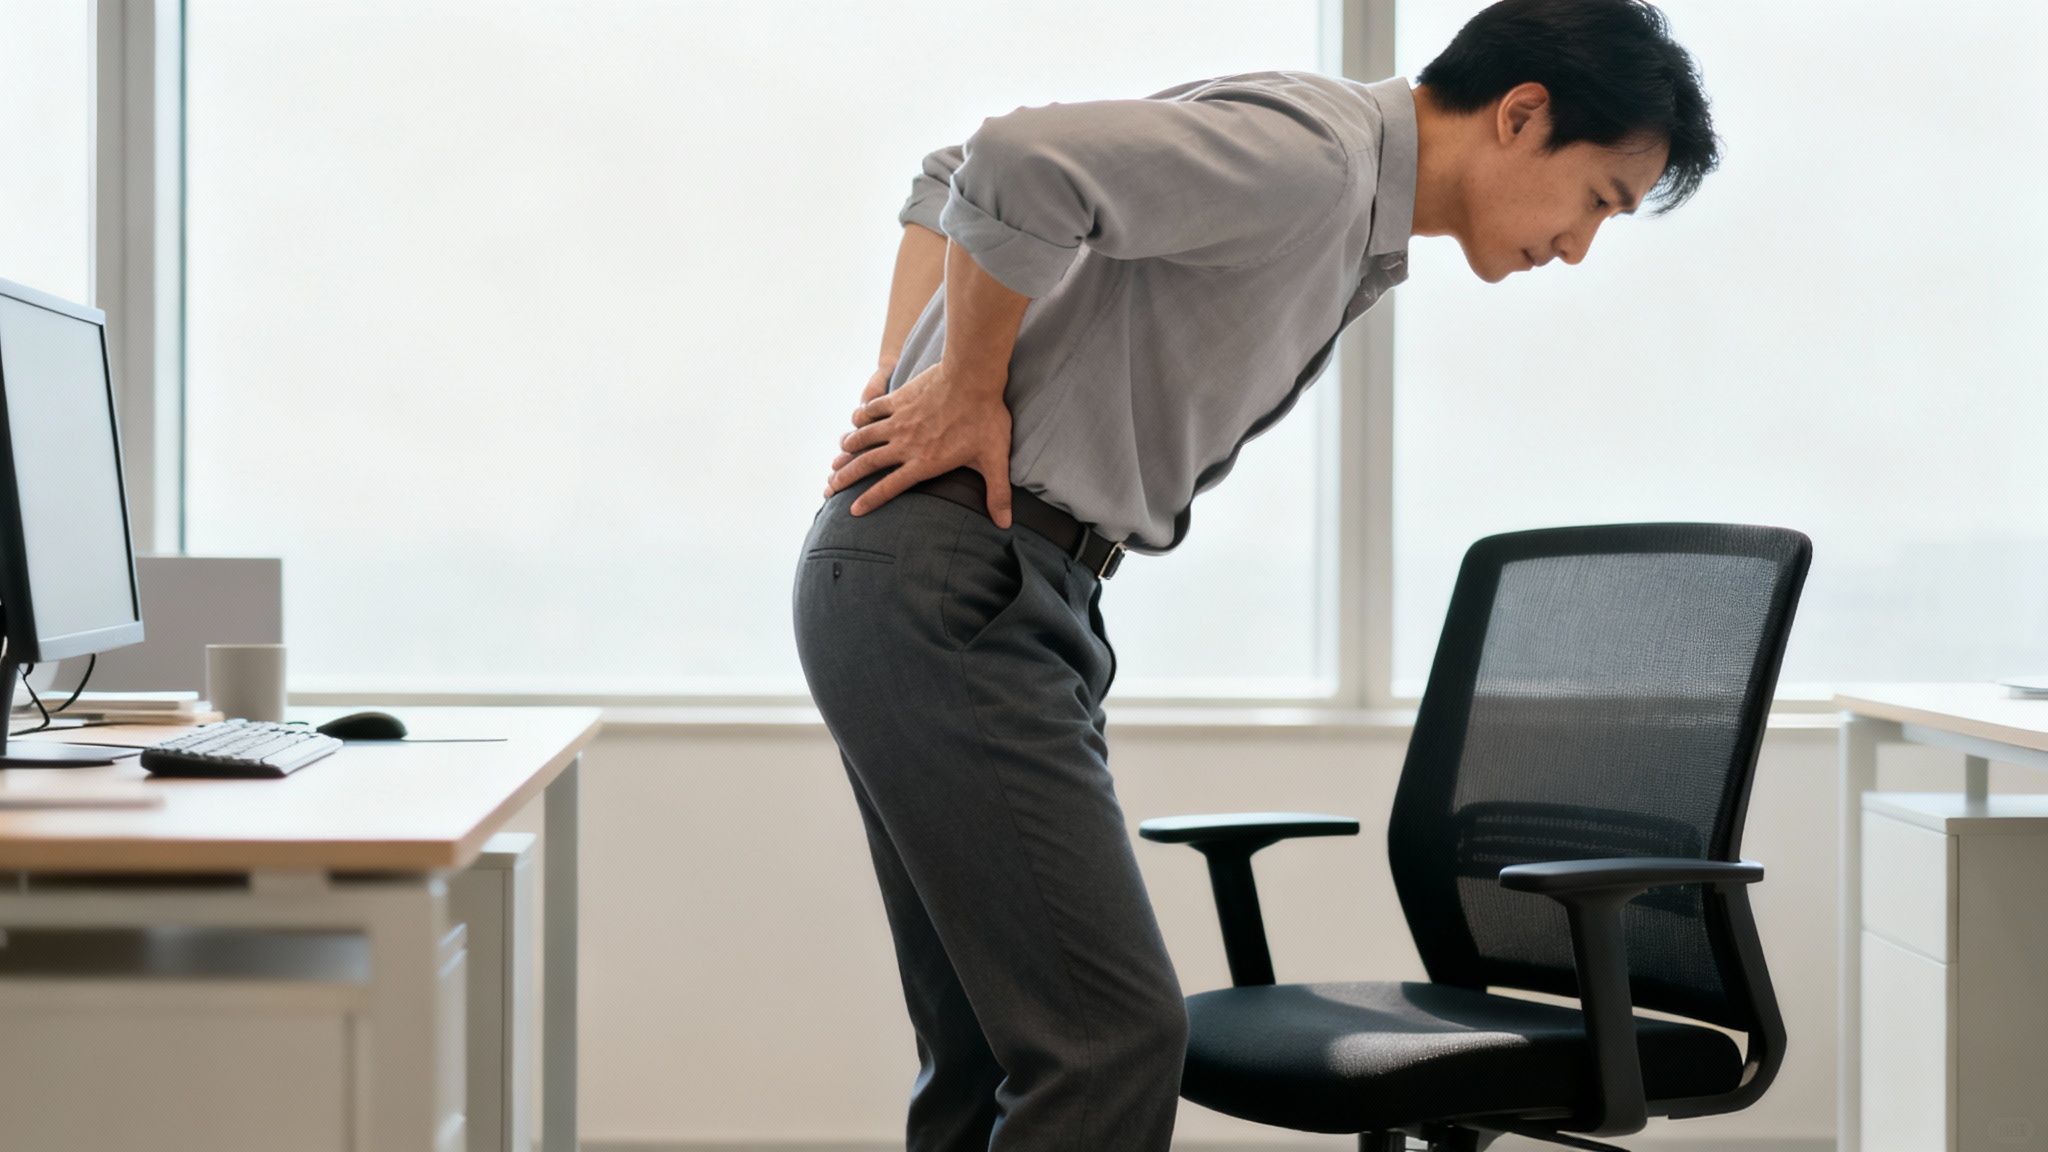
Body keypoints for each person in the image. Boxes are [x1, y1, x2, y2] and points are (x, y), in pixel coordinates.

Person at [790, 1, 1718, 1147]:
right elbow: (1014, 161)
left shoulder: (1335, 191)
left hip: (954, 576)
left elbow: (947, 173)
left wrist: (914, 378)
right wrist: (956, 387)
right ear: (1521, 114)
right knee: (1109, 1042)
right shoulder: (1317, 163)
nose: (1577, 247)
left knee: (994, 1049)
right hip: (957, 576)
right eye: (1596, 200)